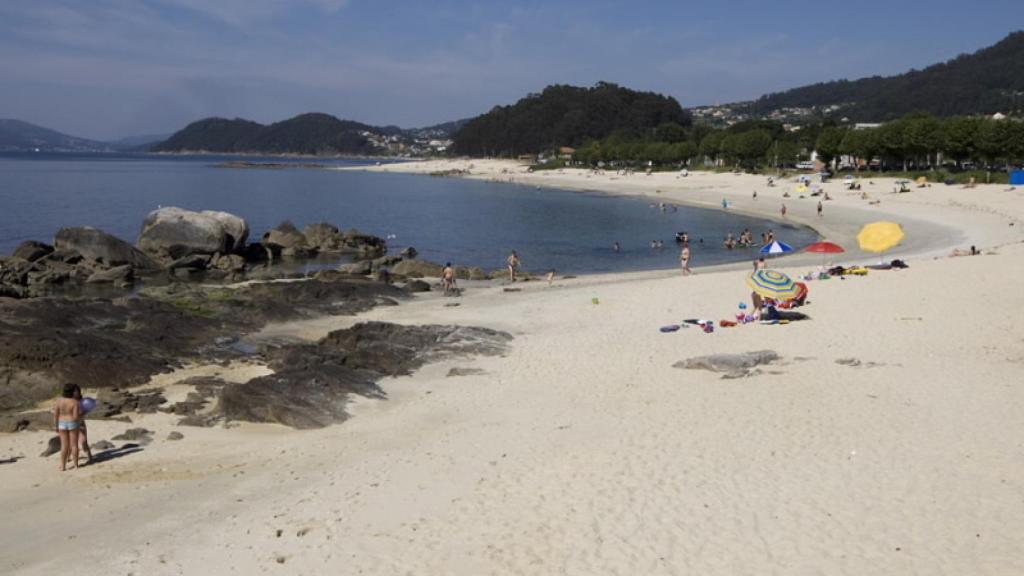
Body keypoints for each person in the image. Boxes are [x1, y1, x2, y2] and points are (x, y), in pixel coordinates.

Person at [53, 383, 81, 472]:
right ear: (72, 392)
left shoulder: (58, 401)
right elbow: (76, 417)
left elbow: (56, 415)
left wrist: (56, 426)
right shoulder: (75, 402)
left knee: (64, 446)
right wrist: (82, 415)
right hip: (72, 422)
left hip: (61, 423)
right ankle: (76, 465)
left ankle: (63, 466)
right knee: (74, 445)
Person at [73, 385, 93, 465]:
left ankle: (90, 457)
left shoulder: (82, 401)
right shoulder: (68, 401)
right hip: (71, 424)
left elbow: (87, 410)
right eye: (73, 391)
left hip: (81, 423)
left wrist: (82, 413)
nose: (75, 393)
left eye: (76, 391)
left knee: (84, 441)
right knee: (72, 443)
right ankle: (72, 459)